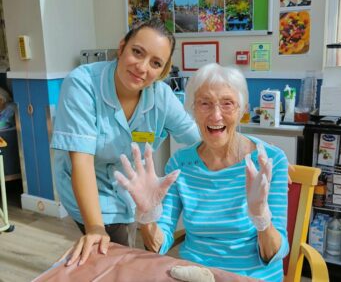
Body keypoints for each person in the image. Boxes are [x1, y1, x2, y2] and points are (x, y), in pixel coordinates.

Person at [115, 63, 289, 281]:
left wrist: (261, 217)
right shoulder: (180, 163)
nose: (216, 116)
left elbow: (275, 254)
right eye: (205, 104)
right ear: (193, 110)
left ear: (242, 109)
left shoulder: (270, 162)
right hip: (195, 276)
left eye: (227, 104)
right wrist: (147, 217)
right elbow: (159, 245)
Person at [51, 18, 200, 265]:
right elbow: (82, 162)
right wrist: (96, 228)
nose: (142, 67)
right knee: (111, 256)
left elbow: (197, 139)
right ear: (121, 48)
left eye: (155, 63)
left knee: (129, 251)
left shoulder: (161, 96)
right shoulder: (83, 83)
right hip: (89, 188)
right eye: (137, 52)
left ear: (163, 71)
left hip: (131, 192)